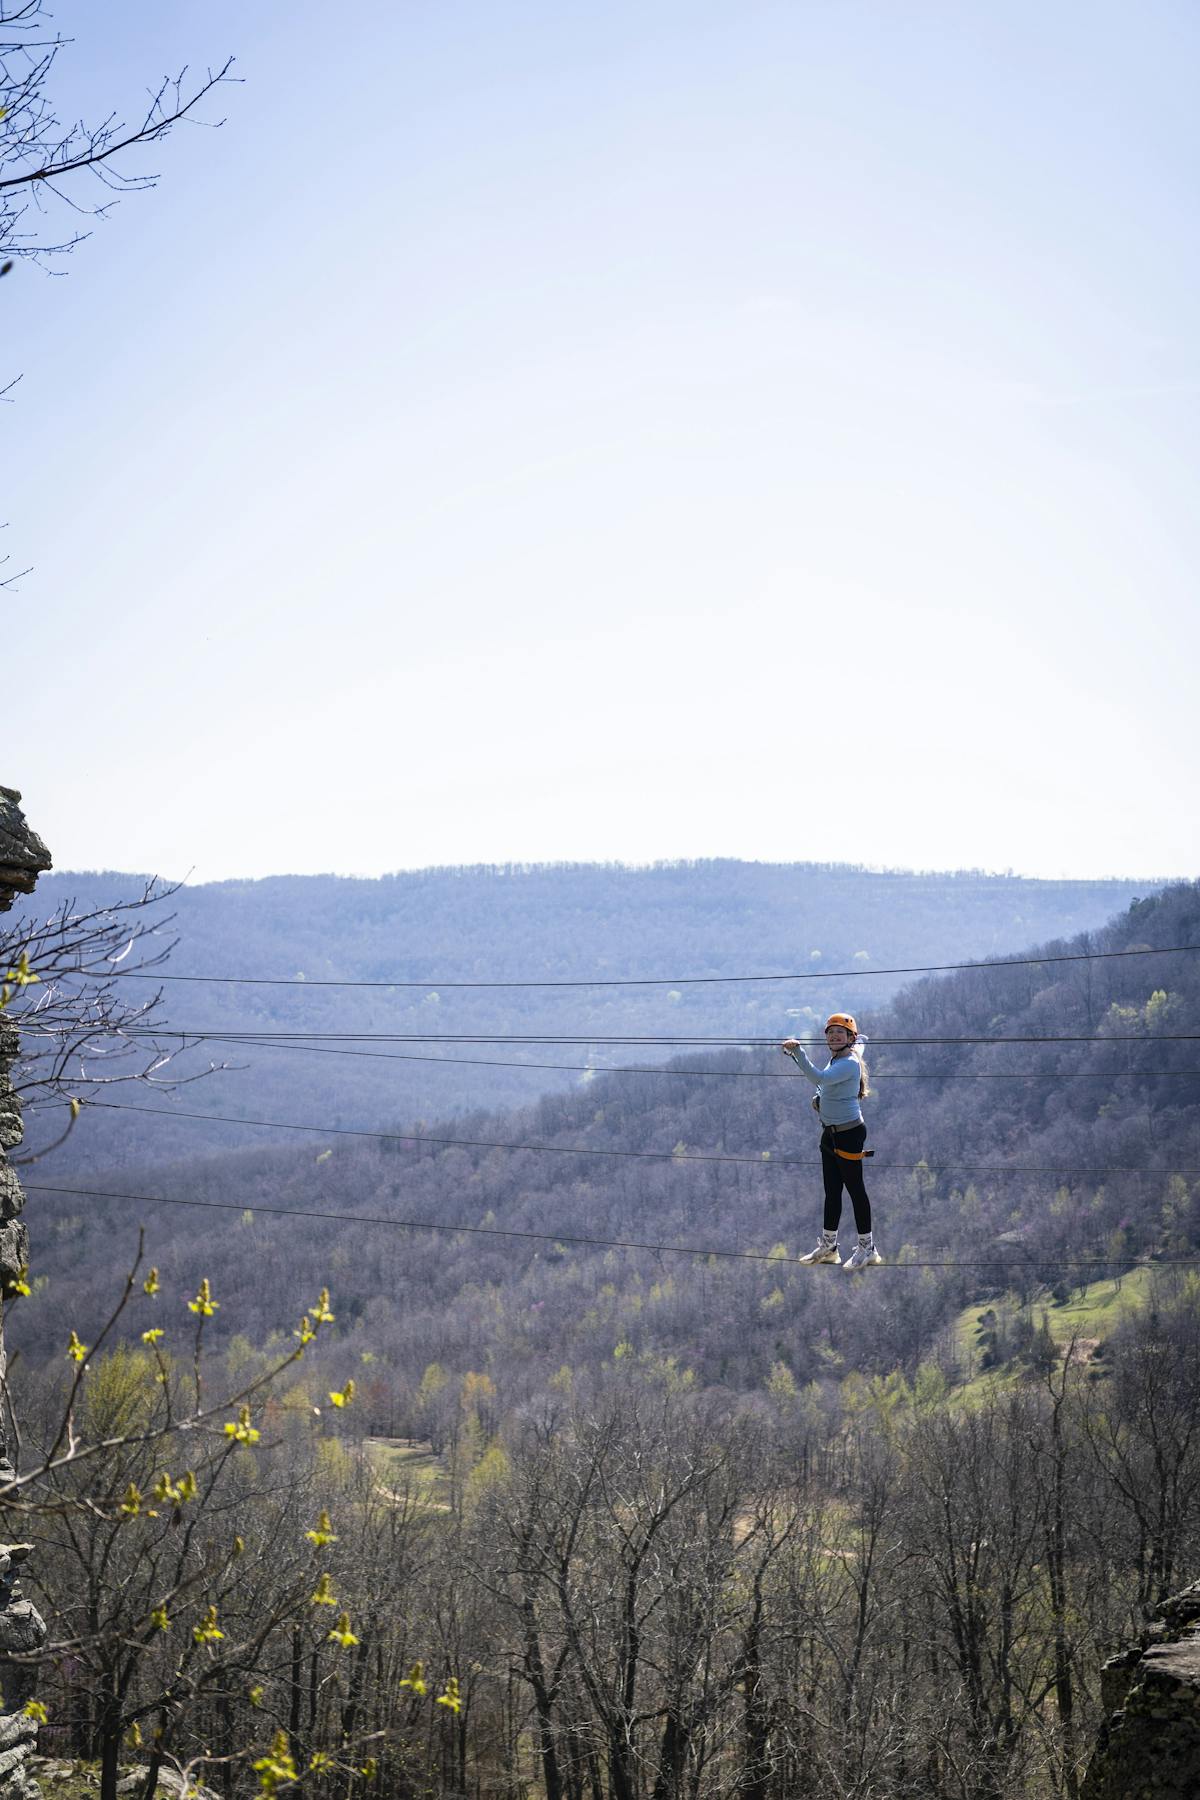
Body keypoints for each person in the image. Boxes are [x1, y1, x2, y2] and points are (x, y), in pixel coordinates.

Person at [780, 1012, 882, 1270]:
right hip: (831, 1133)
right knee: (832, 1192)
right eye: (830, 1033)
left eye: (840, 1033)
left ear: (849, 1038)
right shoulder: (838, 1058)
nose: (834, 1036)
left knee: (855, 1190)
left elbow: (820, 1079)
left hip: (849, 1133)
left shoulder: (847, 1063)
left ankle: (867, 1248)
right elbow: (824, 1084)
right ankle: (829, 1245)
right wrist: (818, 1098)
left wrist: (797, 1053)